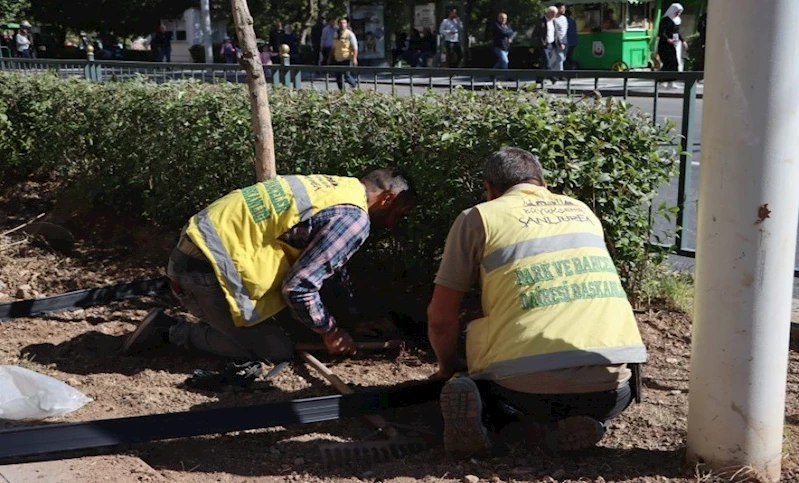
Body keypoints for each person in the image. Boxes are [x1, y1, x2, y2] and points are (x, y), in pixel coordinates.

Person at [427, 147, 646, 459]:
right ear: (543, 182)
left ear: (490, 189)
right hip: (614, 389)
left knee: (488, 371)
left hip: (524, 392)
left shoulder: (480, 216)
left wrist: (449, 369)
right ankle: (573, 427)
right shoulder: (582, 210)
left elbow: (441, 316)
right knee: (565, 393)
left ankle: (496, 422)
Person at [123, 169, 416, 362]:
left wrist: (348, 319)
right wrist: (330, 331)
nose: (393, 223)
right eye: (398, 214)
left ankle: (224, 323)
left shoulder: (336, 187)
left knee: (297, 326)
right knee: (275, 350)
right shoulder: (354, 219)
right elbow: (299, 288)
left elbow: (330, 269)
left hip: (196, 251)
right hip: (202, 273)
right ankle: (171, 330)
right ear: (388, 198)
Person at [657, 3, 687, 88]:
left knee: (674, 63)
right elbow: (661, 32)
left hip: (674, 44)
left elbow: (677, 33)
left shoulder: (677, 21)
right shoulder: (665, 20)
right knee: (667, 63)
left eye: (680, 12)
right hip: (665, 45)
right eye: (677, 12)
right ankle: (662, 81)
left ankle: (671, 82)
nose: (678, 14)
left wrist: (683, 40)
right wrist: (667, 39)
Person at [327, 17, 359, 91]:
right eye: (341, 23)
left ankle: (355, 87)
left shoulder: (349, 34)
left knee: (346, 75)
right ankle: (341, 92)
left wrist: (354, 58)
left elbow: (355, 47)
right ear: (338, 24)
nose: (342, 25)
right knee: (338, 77)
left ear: (347, 24)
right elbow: (333, 46)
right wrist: (329, 58)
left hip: (346, 58)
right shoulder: (336, 34)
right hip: (337, 57)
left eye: (344, 23)